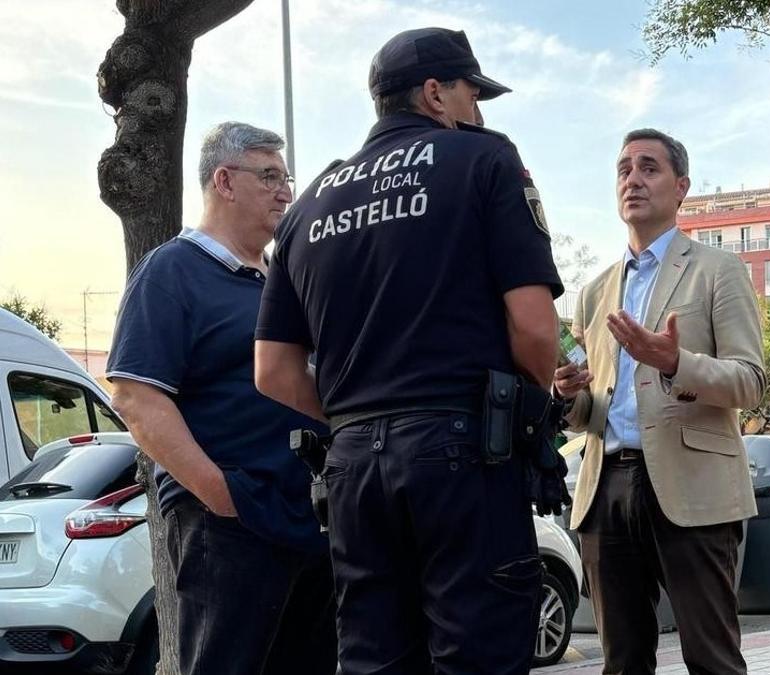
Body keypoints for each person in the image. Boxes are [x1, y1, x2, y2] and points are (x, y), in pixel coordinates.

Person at [253, 27, 563, 675]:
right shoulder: (485, 160)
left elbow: (273, 371)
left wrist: (358, 415)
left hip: (351, 469)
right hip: (463, 451)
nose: (478, 113)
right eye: (472, 95)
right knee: (479, 655)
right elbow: (536, 331)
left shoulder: (309, 205)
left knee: (374, 659)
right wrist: (529, 410)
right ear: (435, 94)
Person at [107, 122, 336, 675]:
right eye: (270, 177)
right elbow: (135, 396)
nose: (286, 193)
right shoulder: (172, 270)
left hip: (308, 517)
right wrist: (220, 493)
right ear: (225, 182)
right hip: (231, 522)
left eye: (287, 179)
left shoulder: (282, 280)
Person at [554, 128, 765, 675]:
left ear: (681, 187)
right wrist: (567, 395)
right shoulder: (595, 290)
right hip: (605, 485)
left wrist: (675, 363)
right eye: (624, 169)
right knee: (622, 662)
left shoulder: (719, 270)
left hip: (694, 484)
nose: (633, 179)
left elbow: (751, 382)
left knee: (712, 659)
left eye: (649, 167)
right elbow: (594, 407)